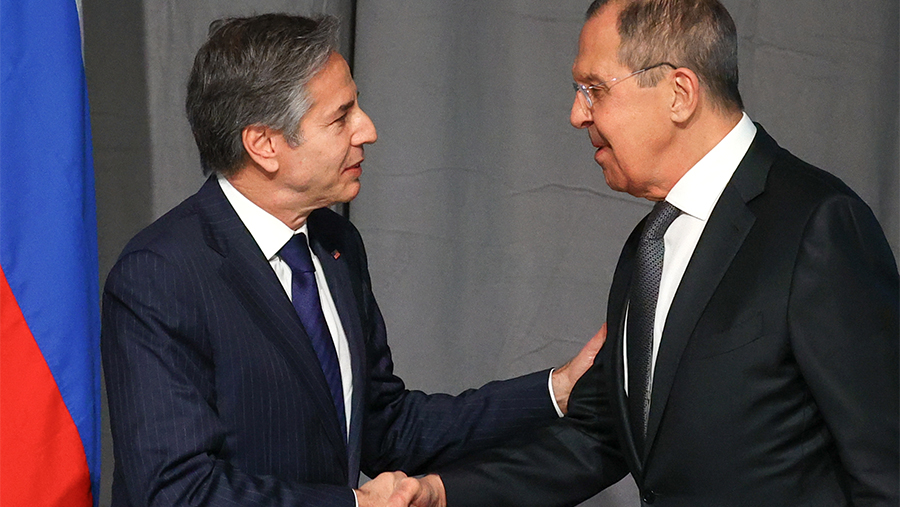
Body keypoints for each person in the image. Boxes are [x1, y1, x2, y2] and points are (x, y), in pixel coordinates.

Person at [391, 0, 900, 505]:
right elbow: (599, 438)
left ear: (680, 94)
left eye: (594, 89)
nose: (576, 115)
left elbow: (885, 471)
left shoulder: (818, 225)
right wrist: (440, 493)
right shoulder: (650, 243)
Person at [101, 13, 604, 507]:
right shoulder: (160, 275)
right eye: (341, 117)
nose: (368, 130)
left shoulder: (336, 243)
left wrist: (556, 389)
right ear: (265, 144)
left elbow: (388, 427)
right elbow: (176, 490)